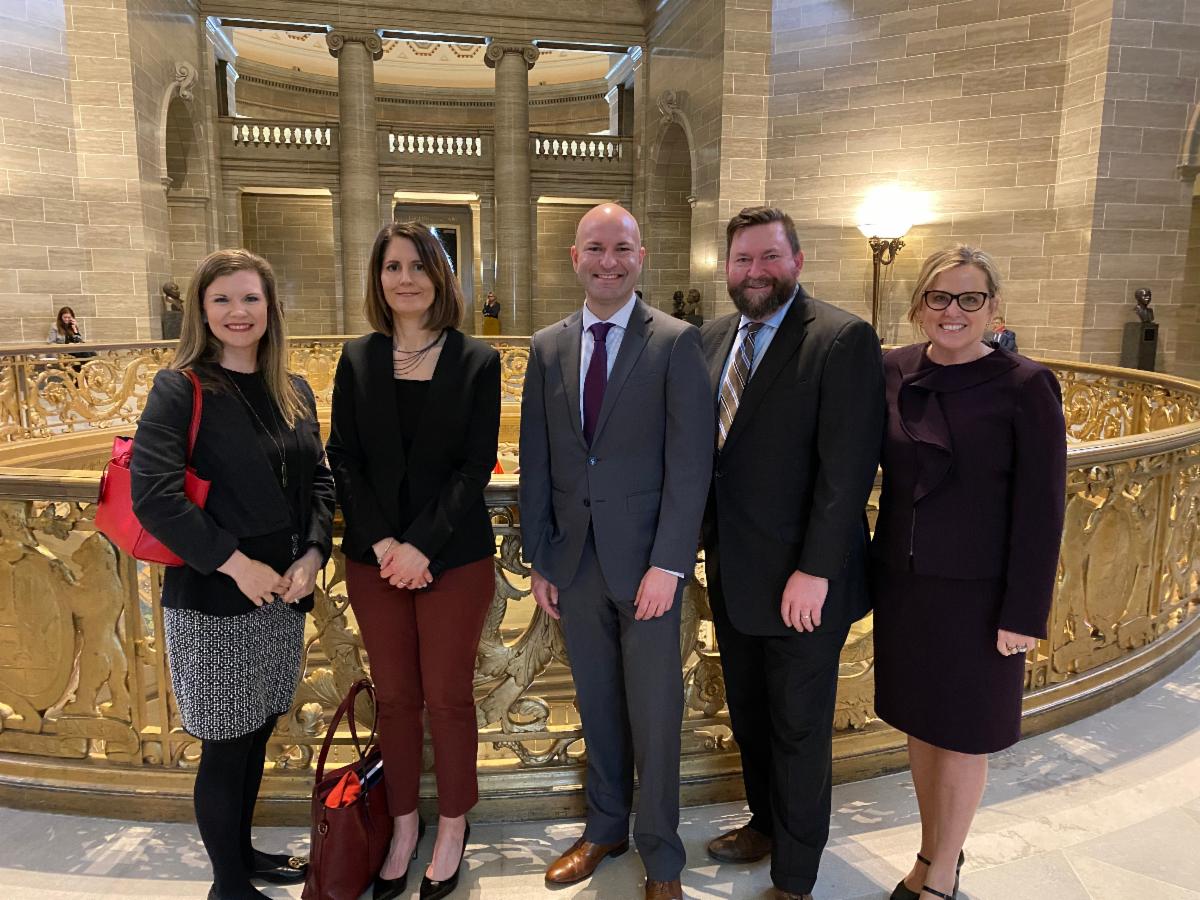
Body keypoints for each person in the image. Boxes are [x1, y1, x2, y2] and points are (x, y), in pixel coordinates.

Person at [518, 203, 712, 900]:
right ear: (575, 257)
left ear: (641, 257)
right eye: (596, 248)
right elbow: (537, 459)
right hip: (575, 563)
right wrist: (542, 558)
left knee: (655, 715)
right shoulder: (548, 346)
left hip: (649, 567)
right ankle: (604, 829)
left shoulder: (676, 343)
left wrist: (670, 563)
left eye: (622, 248)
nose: (609, 261)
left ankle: (662, 858)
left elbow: (691, 464)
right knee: (596, 703)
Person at [130, 249, 336, 900]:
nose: (237, 312)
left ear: (271, 307)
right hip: (214, 598)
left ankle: (242, 855)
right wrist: (235, 563)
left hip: (284, 595)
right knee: (225, 742)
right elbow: (155, 496)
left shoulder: (293, 389)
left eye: (250, 298)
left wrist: (313, 553)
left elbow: (320, 481)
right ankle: (228, 886)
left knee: (257, 731)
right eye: (221, 299)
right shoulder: (181, 388)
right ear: (201, 309)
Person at [700, 207, 884, 900]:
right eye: (743, 259)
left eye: (769, 257)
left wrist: (815, 569)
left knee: (798, 728)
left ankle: (796, 876)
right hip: (735, 569)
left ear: (797, 262)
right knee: (750, 713)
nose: (755, 271)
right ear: (727, 267)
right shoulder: (712, 338)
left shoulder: (840, 338)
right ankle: (764, 824)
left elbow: (847, 472)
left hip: (806, 581)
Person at [871, 246, 1066, 900]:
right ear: (919, 304)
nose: (952, 311)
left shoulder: (1025, 384)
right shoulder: (893, 369)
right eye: (939, 297)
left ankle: (942, 874)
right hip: (906, 585)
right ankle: (933, 853)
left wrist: (1024, 611)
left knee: (962, 734)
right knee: (921, 724)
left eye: (969, 298)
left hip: (982, 596)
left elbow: (1042, 508)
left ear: (993, 307)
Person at [326, 221, 500, 900]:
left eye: (420, 266)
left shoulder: (477, 360)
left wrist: (421, 545)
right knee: (396, 700)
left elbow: (474, 465)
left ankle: (453, 825)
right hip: (374, 561)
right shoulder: (357, 358)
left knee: (449, 698)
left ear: (441, 277)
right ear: (378, 278)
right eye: (393, 266)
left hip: (452, 557)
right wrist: (383, 545)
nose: (406, 279)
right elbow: (343, 459)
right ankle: (402, 825)